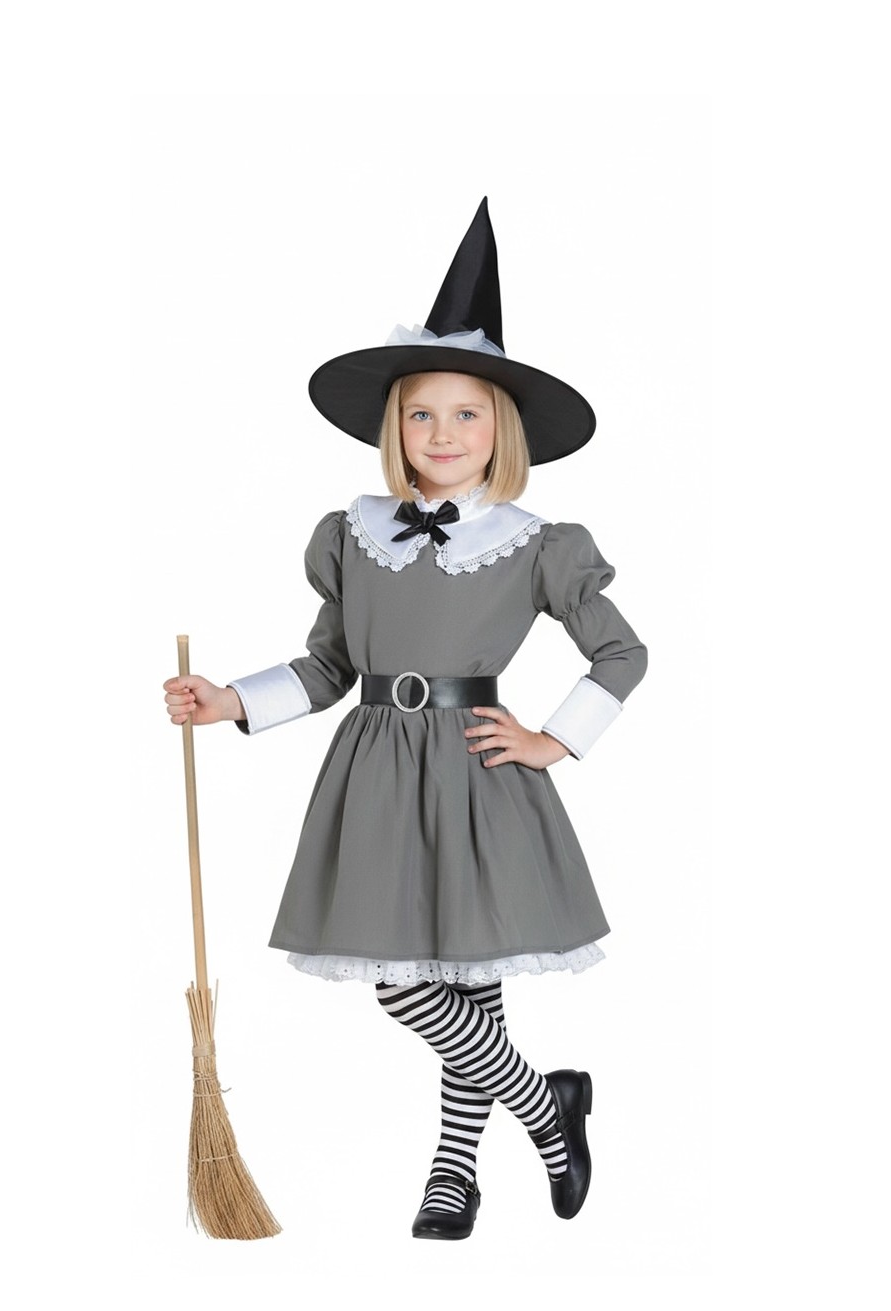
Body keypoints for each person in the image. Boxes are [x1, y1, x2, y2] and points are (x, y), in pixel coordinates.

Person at [162, 199, 648, 1240]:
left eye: (467, 415)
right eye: (422, 415)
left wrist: (553, 738)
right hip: (379, 774)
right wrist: (232, 701)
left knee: (457, 977)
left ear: (502, 429)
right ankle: (547, 1108)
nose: (443, 435)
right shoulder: (353, 533)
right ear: (394, 427)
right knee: (413, 981)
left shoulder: (536, 541)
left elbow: (622, 653)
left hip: (479, 774)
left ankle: (455, 1170)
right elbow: (330, 664)